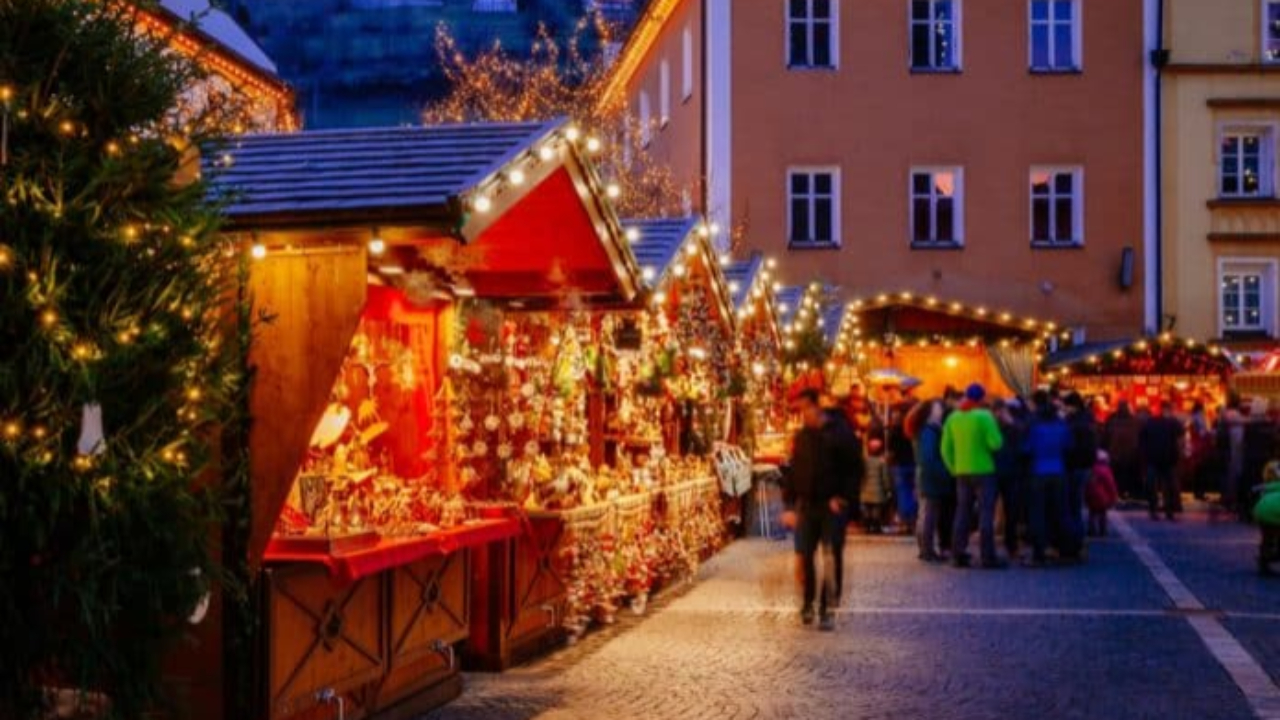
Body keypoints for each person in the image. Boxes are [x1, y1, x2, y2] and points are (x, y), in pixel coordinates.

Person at [781, 390, 861, 630]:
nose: (802, 415)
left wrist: (844, 499)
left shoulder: (841, 434)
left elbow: (854, 470)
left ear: (816, 408)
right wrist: (790, 504)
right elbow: (794, 470)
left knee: (831, 557)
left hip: (831, 507)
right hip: (807, 505)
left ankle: (827, 609)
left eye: (804, 409)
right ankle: (807, 604)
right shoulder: (804, 436)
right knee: (805, 555)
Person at [941, 383, 1006, 569]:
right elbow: (996, 444)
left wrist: (953, 468)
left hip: (962, 471)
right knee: (986, 513)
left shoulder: (953, 418)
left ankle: (958, 553)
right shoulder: (984, 416)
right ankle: (987, 556)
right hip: (984, 470)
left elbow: (945, 449)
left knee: (962, 513)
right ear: (982, 399)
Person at [1022, 390, 1073, 567]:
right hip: (1059, 472)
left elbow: (1026, 449)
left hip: (1038, 472)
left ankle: (1039, 552)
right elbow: (1068, 446)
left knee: (1038, 512)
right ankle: (1064, 549)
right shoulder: (1062, 426)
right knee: (1059, 510)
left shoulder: (1035, 427)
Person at [907, 399, 951, 563]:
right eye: (938, 408)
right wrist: (943, 472)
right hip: (930, 476)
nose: (941, 411)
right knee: (929, 513)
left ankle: (925, 548)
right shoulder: (928, 431)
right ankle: (927, 549)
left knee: (926, 512)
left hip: (926, 474)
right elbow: (928, 457)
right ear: (930, 412)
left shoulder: (926, 430)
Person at [1062, 392, 1098, 561]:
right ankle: (1079, 542)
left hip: (1073, 467)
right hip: (1084, 467)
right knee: (1077, 505)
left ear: (1072, 406)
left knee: (1072, 506)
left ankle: (1075, 543)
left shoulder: (1073, 423)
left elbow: (1069, 447)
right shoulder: (1088, 420)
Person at [993, 399, 1027, 559]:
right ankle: (1010, 544)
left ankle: (1006, 543)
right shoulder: (1016, 428)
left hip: (996, 471)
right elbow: (1022, 450)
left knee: (996, 509)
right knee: (1010, 510)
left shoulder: (995, 427)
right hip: (1011, 472)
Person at [1140, 399, 1183, 521]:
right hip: (1168, 458)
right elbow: (1180, 440)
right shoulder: (1174, 422)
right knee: (1168, 485)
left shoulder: (1150, 422)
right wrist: (1179, 455)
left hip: (1153, 458)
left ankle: (1154, 510)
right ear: (1169, 409)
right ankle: (1169, 511)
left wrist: (1145, 456)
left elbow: (1142, 441)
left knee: (1152, 485)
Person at [886, 405, 919, 535]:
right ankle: (913, 521)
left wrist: (888, 462)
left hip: (899, 466)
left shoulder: (893, 432)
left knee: (903, 494)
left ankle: (906, 521)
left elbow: (891, 453)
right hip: (912, 464)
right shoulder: (911, 430)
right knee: (912, 493)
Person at [1104, 400, 1143, 500]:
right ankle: (1130, 493)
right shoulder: (1135, 421)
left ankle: (1118, 493)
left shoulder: (1112, 420)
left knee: (1117, 475)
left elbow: (1106, 437)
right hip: (1131, 454)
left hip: (1115, 454)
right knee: (1130, 475)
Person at [1253, 458, 1280, 576]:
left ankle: (1264, 559)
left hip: (1262, 511)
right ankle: (1273, 555)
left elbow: (1255, 490)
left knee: (1267, 537)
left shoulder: (1268, 486)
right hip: (1277, 511)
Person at [860, 438, 892, 535]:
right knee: (876, 511)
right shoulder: (882, 462)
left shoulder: (864, 461)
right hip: (878, 492)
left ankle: (867, 527)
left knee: (866, 510)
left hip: (865, 491)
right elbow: (885, 477)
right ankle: (876, 527)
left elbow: (861, 475)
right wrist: (888, 489)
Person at [1086, 450, 1120, 537]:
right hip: (1102, 497)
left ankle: (1091, 530)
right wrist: (1114, 497)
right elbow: (1110, 484)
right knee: (1102, 514)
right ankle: (1102, 530)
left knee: (1092, 513)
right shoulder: (1106, 471)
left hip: (1091, 496)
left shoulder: (1091, 470)